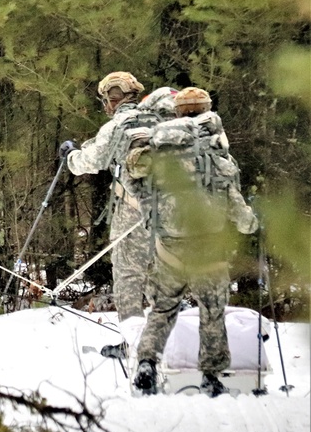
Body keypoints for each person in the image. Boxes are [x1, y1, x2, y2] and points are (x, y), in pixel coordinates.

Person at [129, 87, 258, 397]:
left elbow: (139, 189)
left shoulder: (158, 149)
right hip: (207, 248)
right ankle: (211, 376)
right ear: (206, 109)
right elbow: (239, 212)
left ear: (177, 112)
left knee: (162, 309)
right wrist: (252, 223)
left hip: (168, 247)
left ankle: (147, 361)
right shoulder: (213, 153)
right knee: (212, 311)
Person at [61, 72, 174, 331]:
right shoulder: (163, 121)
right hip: (170, 210)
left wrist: (70, 157)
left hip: (133, 210)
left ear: (111, 101)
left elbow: (89, 162)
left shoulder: (117, 124)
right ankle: (168, 340)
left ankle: (132, 343)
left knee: (128, 275)